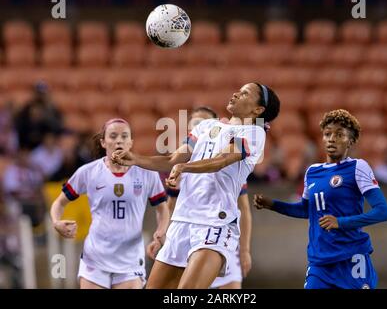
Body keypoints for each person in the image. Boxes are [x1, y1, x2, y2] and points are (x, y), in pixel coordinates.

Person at [112, 83, 280, 289]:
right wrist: (135, 159)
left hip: (215, 224)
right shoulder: (206, 127)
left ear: (258, 110)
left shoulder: (254, 133)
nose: (236, 93)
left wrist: (185, 167)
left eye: (245, 93)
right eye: (239, 89)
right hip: (182, 221)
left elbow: (221, 160)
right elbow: (172, 159)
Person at [253, 109, 387, 289]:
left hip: (351, 258)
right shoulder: (312, 172)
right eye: (327, 134)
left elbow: (382, 212)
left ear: (351, 140)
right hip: (320, 262)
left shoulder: (358, 167)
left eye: (339, 135)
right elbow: (306, 210)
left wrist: (340, 222)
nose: (332, 139)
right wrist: (273, 205)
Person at [50, 118, 170, 289]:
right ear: (103, 142)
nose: (119, 140)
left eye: (124, 136)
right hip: (95, 258)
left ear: (131, 142)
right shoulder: (88, 172)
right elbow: (59, 203)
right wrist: (56, 222)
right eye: (113, 136)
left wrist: (160, 231)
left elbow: (162, 208)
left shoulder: (146, 173)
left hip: (130, 260)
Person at [164, 107, 252, 289]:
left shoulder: (230, 170)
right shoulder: (181, 164)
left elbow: (243, 208)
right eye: (196, 124)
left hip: (216, 235)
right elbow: (171, 206)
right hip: (187, 237)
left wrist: (244, 249)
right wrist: (164, 235)